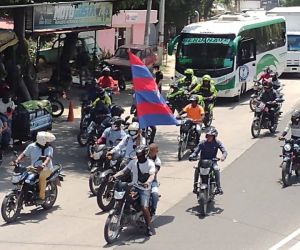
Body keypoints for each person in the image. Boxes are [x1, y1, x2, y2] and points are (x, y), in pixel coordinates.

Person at [112, 145, 155, 236]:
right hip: (134, 186)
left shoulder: (150, 163)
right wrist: (114, 176)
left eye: (141, 154)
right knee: (122, 198)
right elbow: (124, 171)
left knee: (144, 207)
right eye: (138, 154)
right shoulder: (133, 162)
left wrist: (147, 182)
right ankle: (124, 215)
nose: (139, 156)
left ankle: (149, 226)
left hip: (144, 189)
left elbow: (152, 175)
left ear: (145, 154)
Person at [13, 131, 56, 204]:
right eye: (47, 141)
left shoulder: (49, 148)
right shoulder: (31, 146)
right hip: (34, 167)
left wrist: (43, 165)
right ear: (42, 141)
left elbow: (48, 158)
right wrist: (17, 160)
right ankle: (24, 192)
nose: (48, 143)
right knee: (23, 174)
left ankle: (41, 197)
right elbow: (23, 154)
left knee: (42, 177)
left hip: (47, 169)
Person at [189, 127, 227, 195]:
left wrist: (223, 157)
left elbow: (224, 151)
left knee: (216, 169)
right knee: (197, 170)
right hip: (202, 161)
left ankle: (219, 188)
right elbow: (196, 151)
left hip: (212, 162)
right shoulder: (202, 143)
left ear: (214, 136)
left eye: (211, 136)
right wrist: (192, 156)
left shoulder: (217, 143)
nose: (209, 137)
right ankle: (195, 187)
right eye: (208, 136)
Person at [148, 143, 161, 216]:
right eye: (150, 150)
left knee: (155, 194)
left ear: (156, 151)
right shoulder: (143, 156)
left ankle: (153, 209)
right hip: (138, 180)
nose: (150, 152)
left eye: (152, 150)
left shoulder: (157, 161)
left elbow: (155, 171)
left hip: (152, 181)